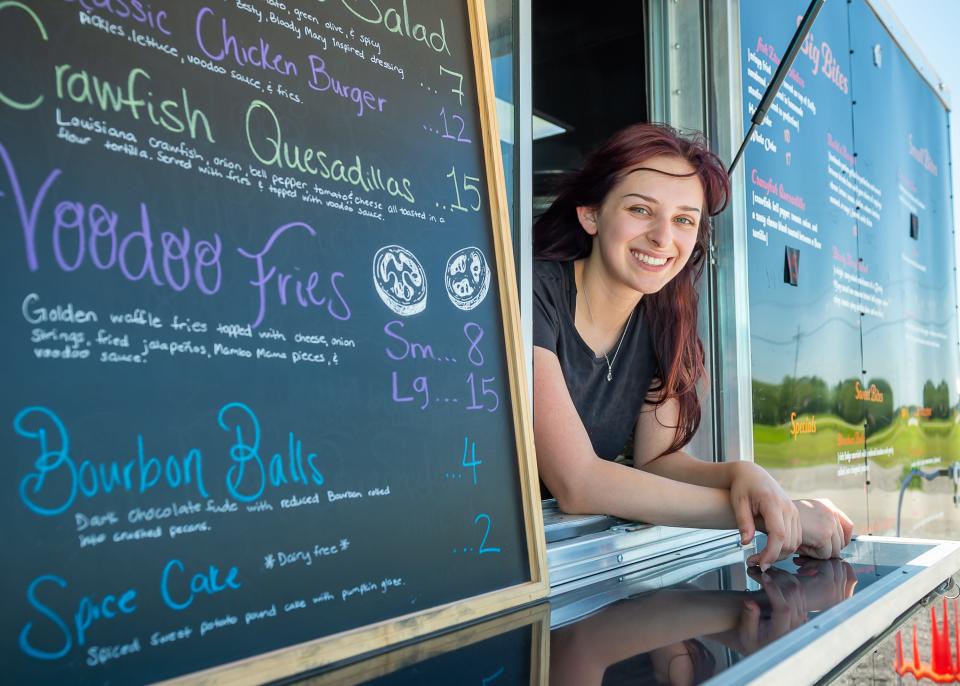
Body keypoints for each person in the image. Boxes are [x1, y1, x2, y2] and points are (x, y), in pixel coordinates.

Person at [532, 123, 853, 570]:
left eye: (684, 219)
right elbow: (578, 483)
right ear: (591, 214)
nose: (663, 238)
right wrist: (777, 516)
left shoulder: (663, 320)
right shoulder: (529, 295)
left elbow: (657, 462)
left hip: (567, 567)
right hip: (487, 560)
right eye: (641, 210)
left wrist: (744, 475)